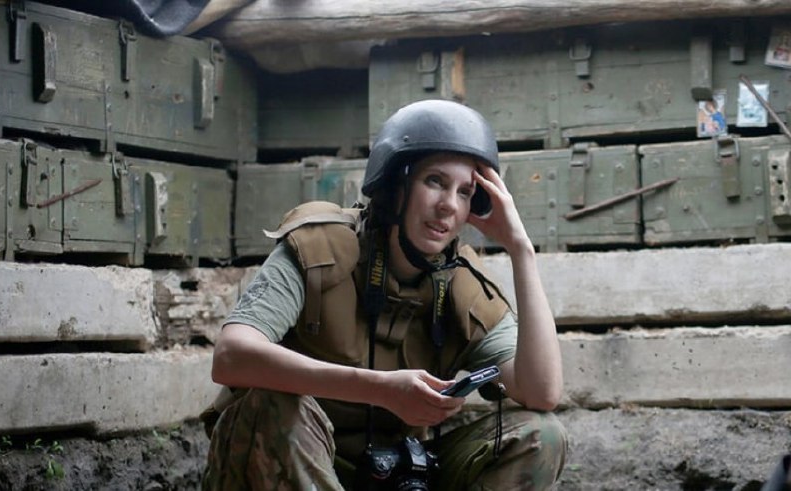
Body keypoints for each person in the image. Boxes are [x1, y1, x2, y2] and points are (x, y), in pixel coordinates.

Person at [202, 99, 567, 490]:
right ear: (395, 185)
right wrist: (382, 389)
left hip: (392, 473)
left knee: (542, 436)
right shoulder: (319, 248)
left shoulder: (461, 284)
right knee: (274, 402)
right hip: (290, 463)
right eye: (435, 181)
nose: (448, 205)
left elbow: (542, 393)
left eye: (465, 193)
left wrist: (520, 250)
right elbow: (231, 356)